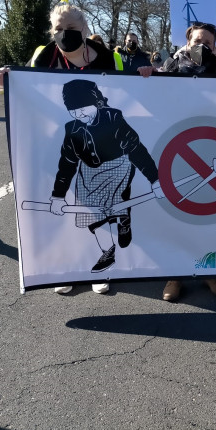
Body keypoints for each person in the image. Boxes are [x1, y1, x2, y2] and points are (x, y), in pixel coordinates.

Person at [0, 2, 127, 294]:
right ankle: (67, 266)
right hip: (54, 141)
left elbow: (127, 93)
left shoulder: (107, 57)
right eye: (58, 29)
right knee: (62, 206)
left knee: (97, 208)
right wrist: (10, 76)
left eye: (71, 29)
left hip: (100, 147)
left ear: (85, 30)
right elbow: (26, 87)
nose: (64, 34)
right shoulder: (44, 55)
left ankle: (101, 263)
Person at [142, 21, 216, 302]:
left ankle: (209, 271)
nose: (202, 46)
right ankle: (175, 276)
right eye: (197, 40)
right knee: (178, 213)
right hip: (177, 149)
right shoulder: (171, 66)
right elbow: (148, 94)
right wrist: (144, 74)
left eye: (208, 43)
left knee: (208, 215)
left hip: (213, 147)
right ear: (186, 42)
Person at [49, 79, 163, 281]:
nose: (79, 115)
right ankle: (107, 251)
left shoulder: (114, 119)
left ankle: (122, 219)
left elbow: (136, 150)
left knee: (110, 202)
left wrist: (155, 180)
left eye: (83, 108)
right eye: (73, 111)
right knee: (88, 212)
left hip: (117, 166)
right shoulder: (71, 130)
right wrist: (57, 196)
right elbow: (67, 164)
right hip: (88, 172)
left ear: (97, 103)